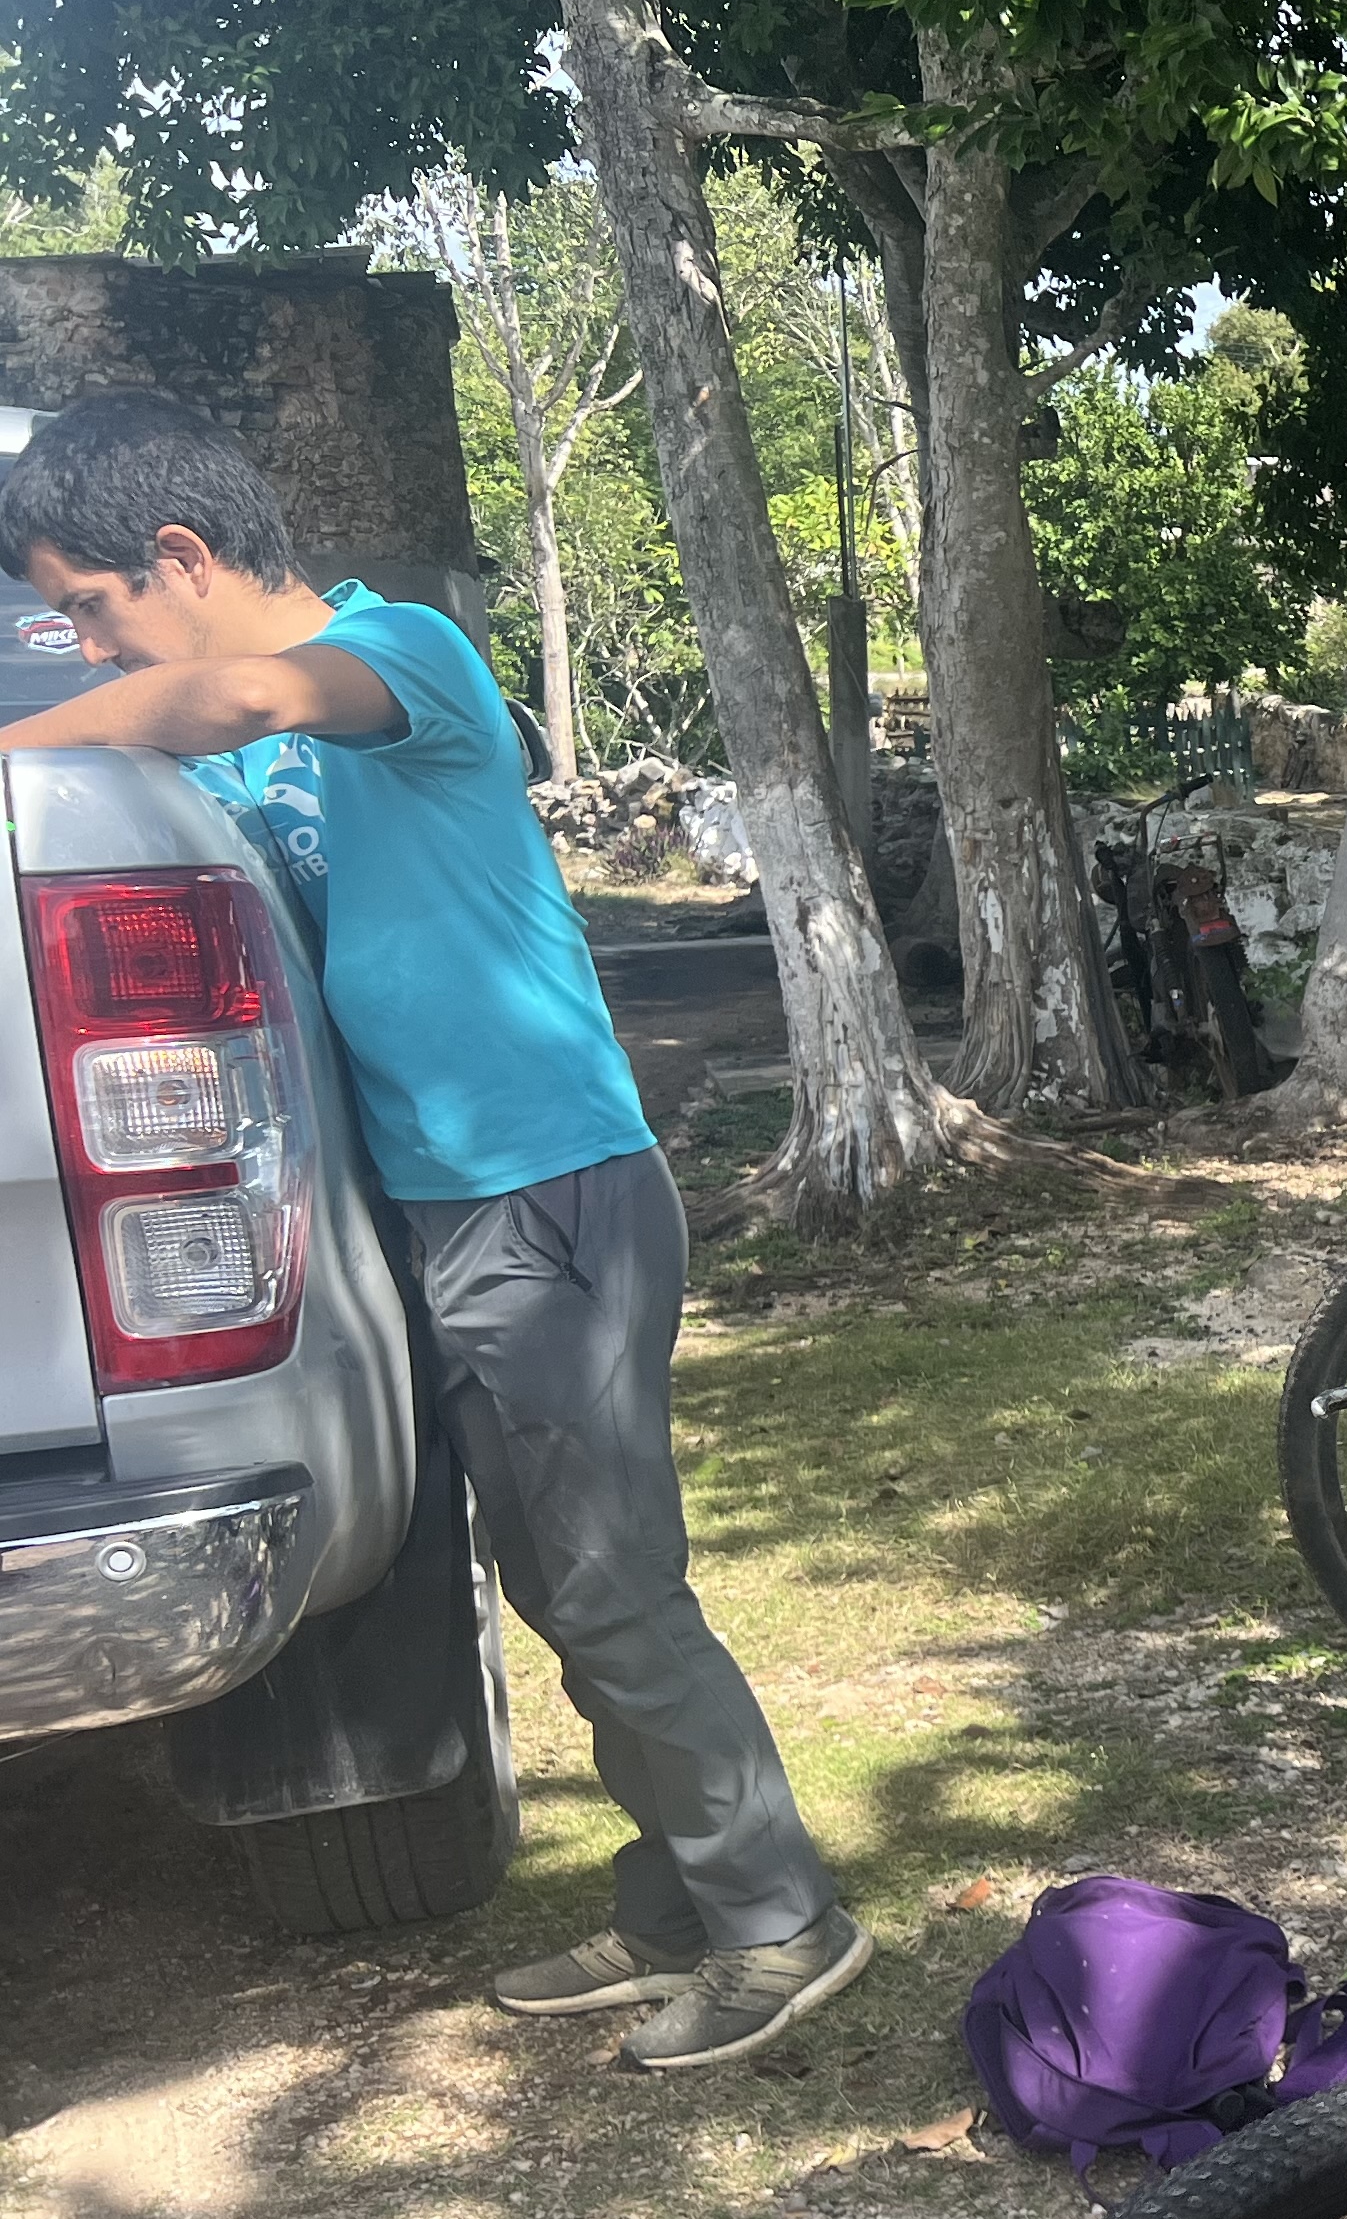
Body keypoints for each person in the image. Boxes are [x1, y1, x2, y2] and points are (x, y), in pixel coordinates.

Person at [0, 391, 869, 2070]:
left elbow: (234, 686)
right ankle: (682, 1894)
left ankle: (782, 1916)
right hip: (449, 1215)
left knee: (617, 1589)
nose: (83, 643)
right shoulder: (246, 757)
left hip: (551, 1193)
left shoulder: (408, 657)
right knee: (553, 1582)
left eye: (94, 609)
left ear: (181, 559)